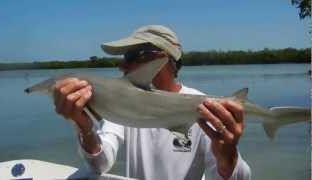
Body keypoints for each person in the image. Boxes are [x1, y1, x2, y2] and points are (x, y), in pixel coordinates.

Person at [54, 25, 251, 180]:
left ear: (163, 58)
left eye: (132, 57)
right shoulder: (122, 105)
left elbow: (237, 178)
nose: (122, 65)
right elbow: (100, 165)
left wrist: (228, 156)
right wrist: (84, 127)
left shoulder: (205, 108)